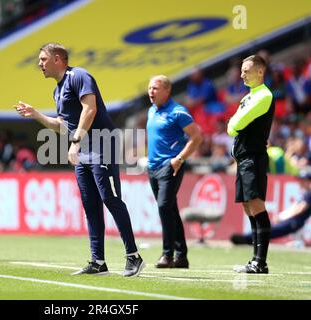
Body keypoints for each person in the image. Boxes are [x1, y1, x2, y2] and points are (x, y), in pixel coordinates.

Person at [14, 43, 145, 277]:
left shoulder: (79, 76)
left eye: (43, 59)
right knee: (90, 205)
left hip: (102, 144)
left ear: (58, 59)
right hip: (83, 149)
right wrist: (36, 115)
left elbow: (90, 110)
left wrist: (75, 142)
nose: (39, 64)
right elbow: (63, 126)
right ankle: (98, 261)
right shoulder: (57, 90)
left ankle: (134, 257)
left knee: (110, 198)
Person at [146, 75, 203, 269]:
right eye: (149, 88)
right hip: (152, 168)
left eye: (155, 88)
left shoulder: (178, 112)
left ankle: (167, 254)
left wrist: (179, 159)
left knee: (164, 207)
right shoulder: (151, 111)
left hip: (170, 167)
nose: (151, 91)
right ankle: (182, 256)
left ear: (167, 91)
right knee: (170, 208)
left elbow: (196, 137)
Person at [227, 55, 275, 274]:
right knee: (248, 205)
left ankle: (260, 262)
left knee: (256, 205)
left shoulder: (264, 96)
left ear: (260, 72)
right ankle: (255, 260)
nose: (241, 74)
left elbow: (236, 123)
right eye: (242, 70)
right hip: (244, 158)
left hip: (253, 156)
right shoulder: (249, 96)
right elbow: (234, 123)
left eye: (246, 70)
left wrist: (233, 125)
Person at [230, 169, 311, 246]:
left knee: (269, 230)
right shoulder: (305, 193)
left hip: (295, 221)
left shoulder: (309, 193)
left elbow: (300, 209)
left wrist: (282, 217)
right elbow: (295, 207)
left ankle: (247, 239)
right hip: (294, 221)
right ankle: (249, 238)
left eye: (303, 180)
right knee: (268, 229)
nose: (300, 182)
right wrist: (281, 216)